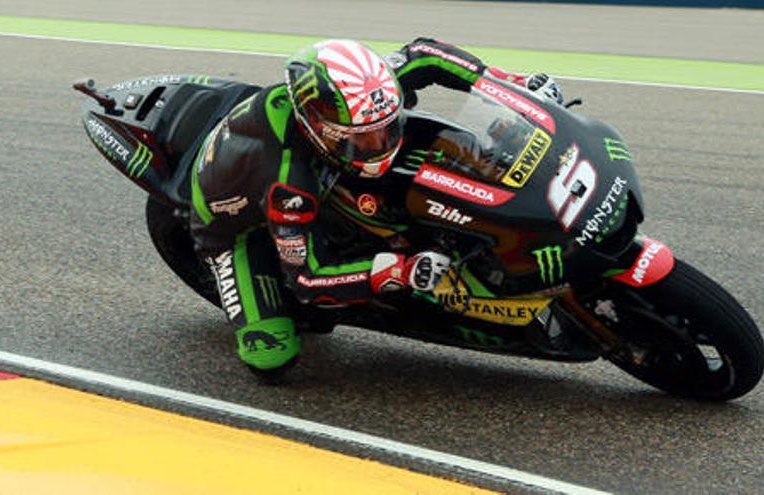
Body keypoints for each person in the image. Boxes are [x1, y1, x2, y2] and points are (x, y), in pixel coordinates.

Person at [189, 37, 564, 381]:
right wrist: (401, 271)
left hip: (313, 170)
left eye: (385, 128)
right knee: (271, 359)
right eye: (363, 138)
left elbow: (425, 55)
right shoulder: (290, 184)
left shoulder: (367, 91)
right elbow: (307, 279)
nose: (380, 142)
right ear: (319, 128)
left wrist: (510, 84)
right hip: (232, 228)